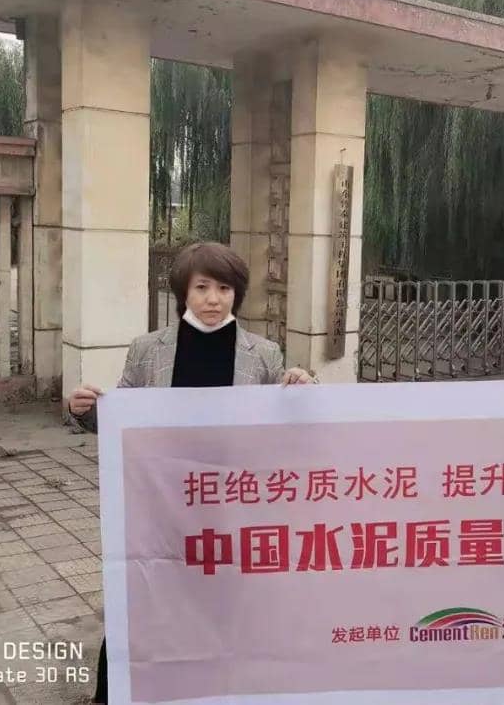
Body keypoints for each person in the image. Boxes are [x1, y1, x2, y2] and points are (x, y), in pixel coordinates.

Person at [66, 241, 315, 704]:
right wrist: (85, 410)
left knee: (227, 601)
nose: (213, 299)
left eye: (224, 288)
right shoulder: (148, 350)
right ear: (184, 291)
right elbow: (122, 419)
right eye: (202, 287)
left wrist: (304, 388)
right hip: (163, 503)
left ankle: (222, 686)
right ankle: (117, 690)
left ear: (237, 293)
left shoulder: (263, 354)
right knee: (144, 595)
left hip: (232, 505)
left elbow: (288, 424)